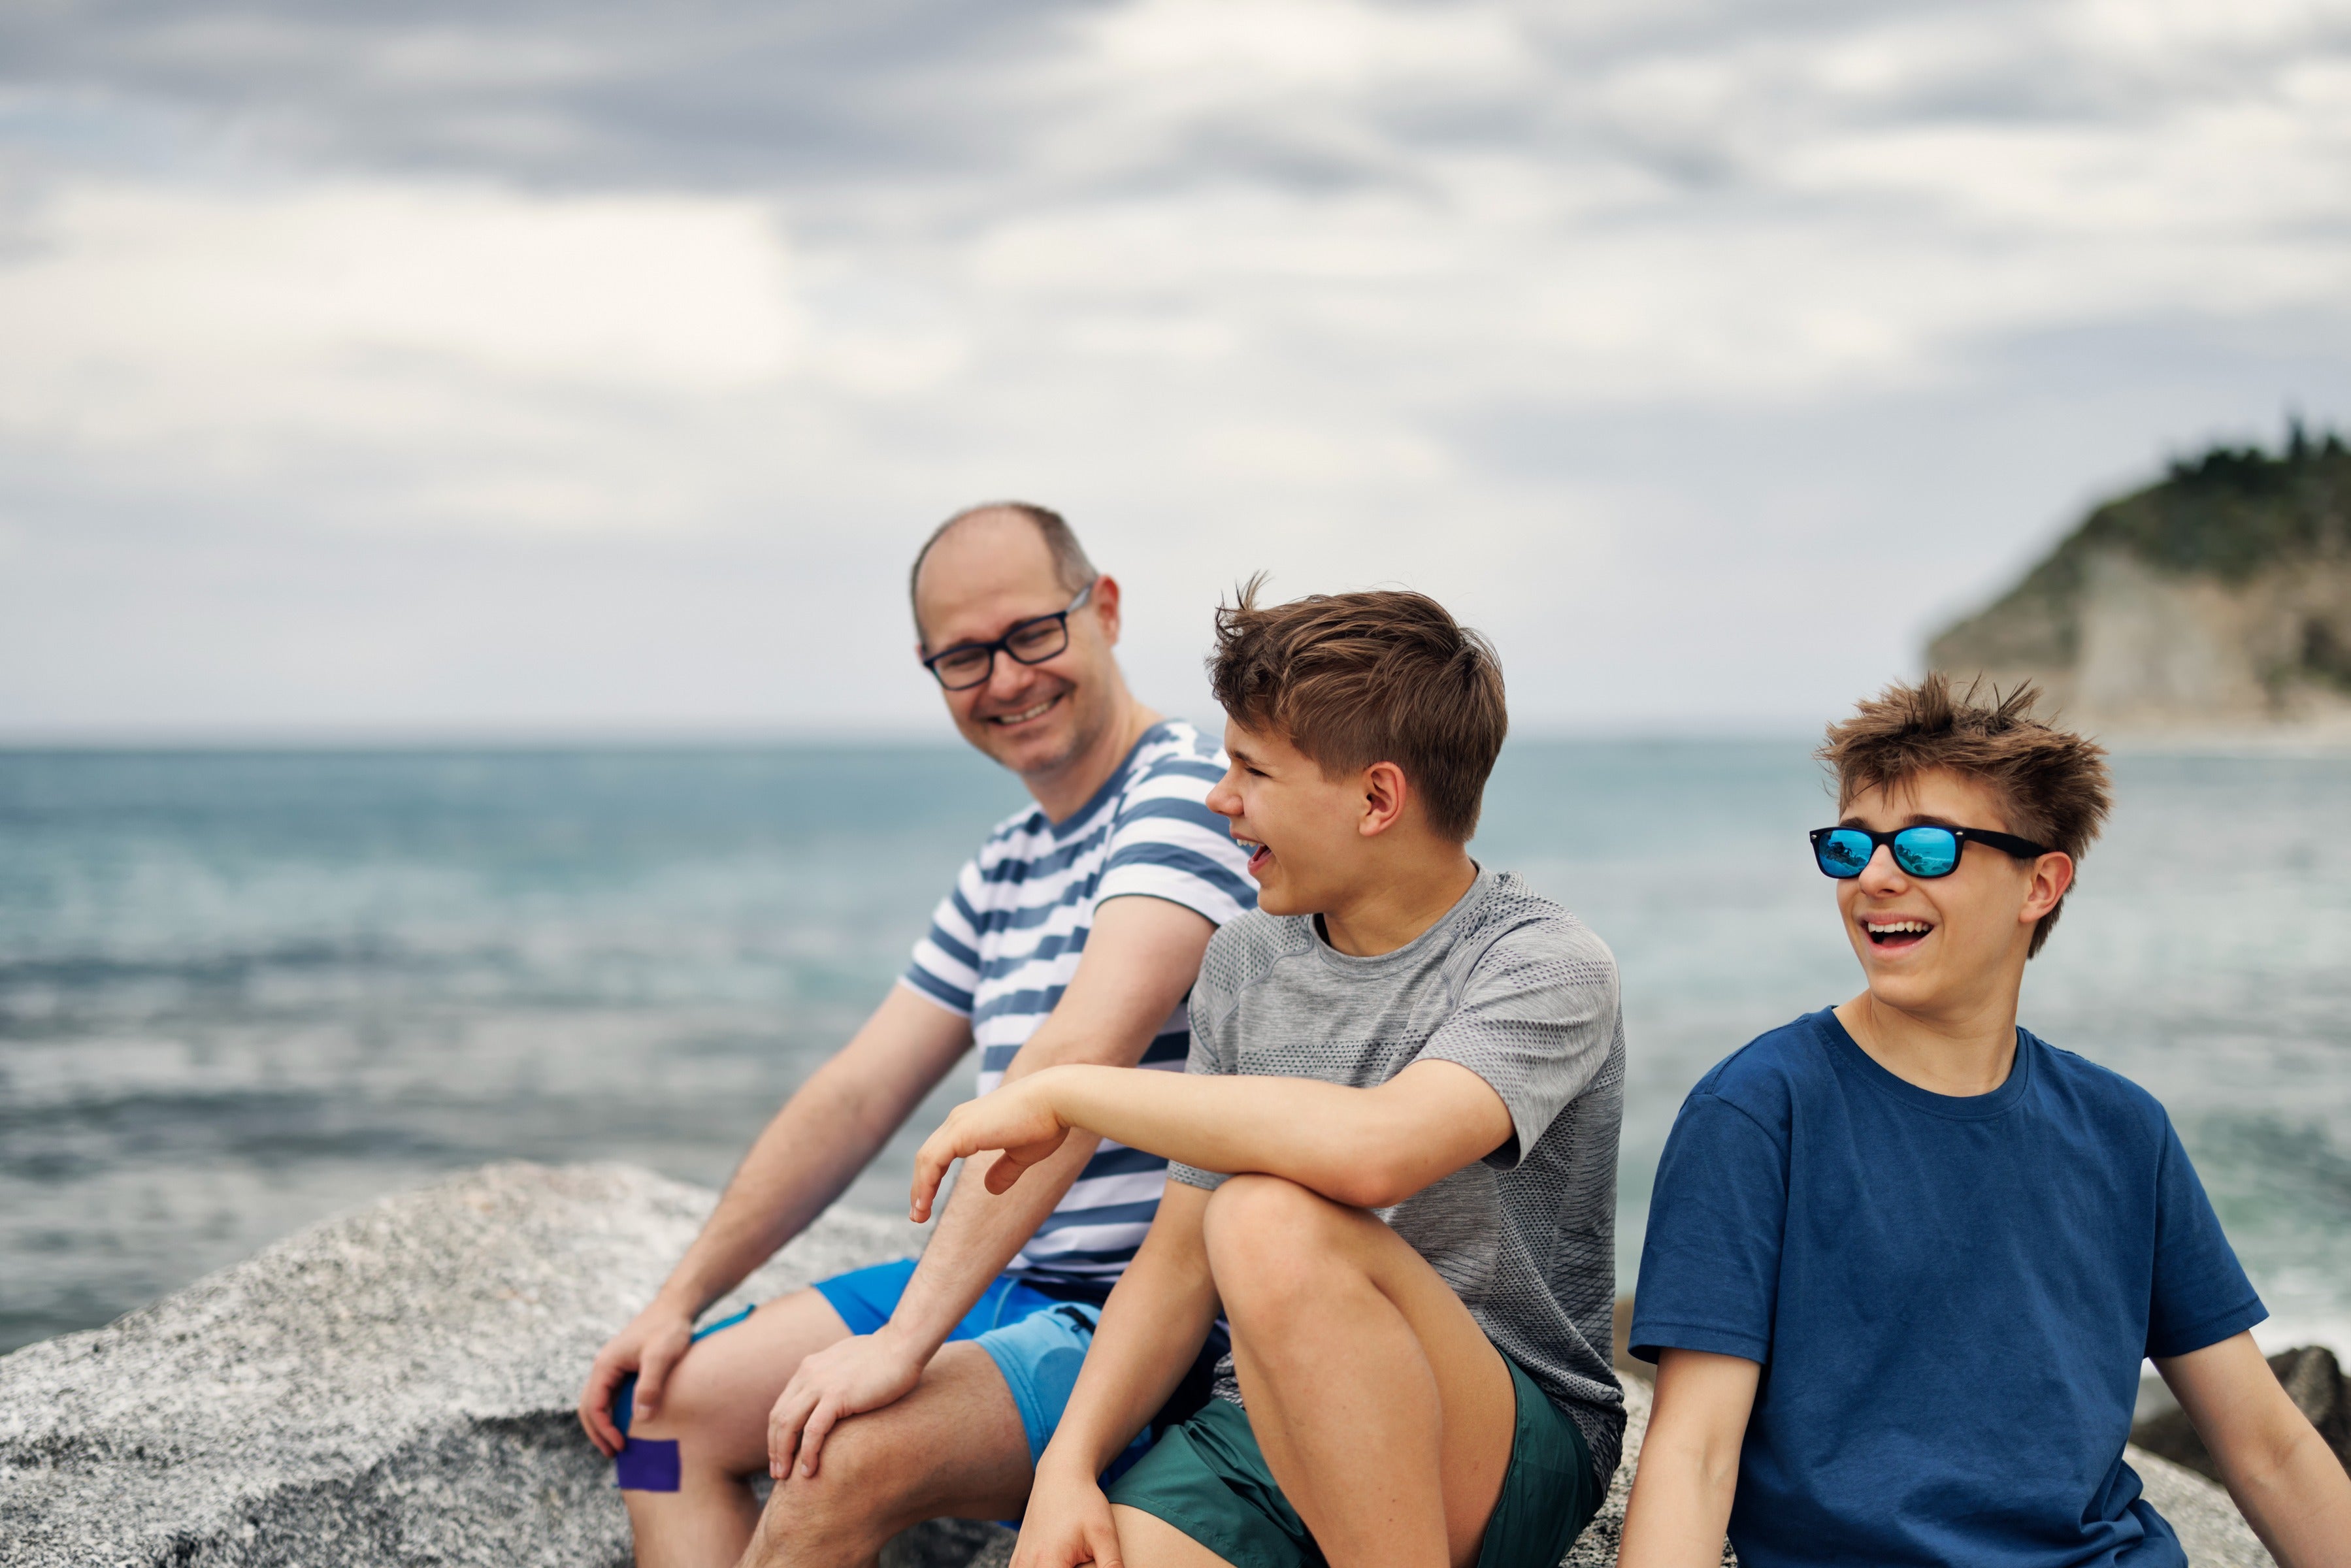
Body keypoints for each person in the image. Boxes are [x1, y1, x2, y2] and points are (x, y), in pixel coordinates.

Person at [576, 503, 1255, 1568]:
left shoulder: (1185, 791)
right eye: (963, 657)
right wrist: (677, 1301)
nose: (1007, 678)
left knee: (829, 1456)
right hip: (1002, 1288)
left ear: (1105, 610)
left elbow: (1069, 1066)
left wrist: (904, 1344)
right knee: (658, 1425)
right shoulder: (1008, 860)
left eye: (1032, 633)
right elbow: (857, 1095)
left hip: (1137, 1328)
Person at [909, 583, 1626, 1568]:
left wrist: (1064, 1091)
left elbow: (1376, 1153)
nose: (1219, 798)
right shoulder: (1247, 958)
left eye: (1251, 769)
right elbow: (1173, 1261)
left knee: (1264, 1214)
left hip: (1498, 1435)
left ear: (1377, 799)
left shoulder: (1541, 963)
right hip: (1260, 1428)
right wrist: (1067, 1467)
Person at [1619, 676, 2351, 1568]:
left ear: (2039, 883)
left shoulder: (2122, 1131)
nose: (1876, 878)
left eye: (1926, 849)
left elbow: (2267, 1449)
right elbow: (1692, 1456)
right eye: (1851, 847)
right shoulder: (1757, 1112)